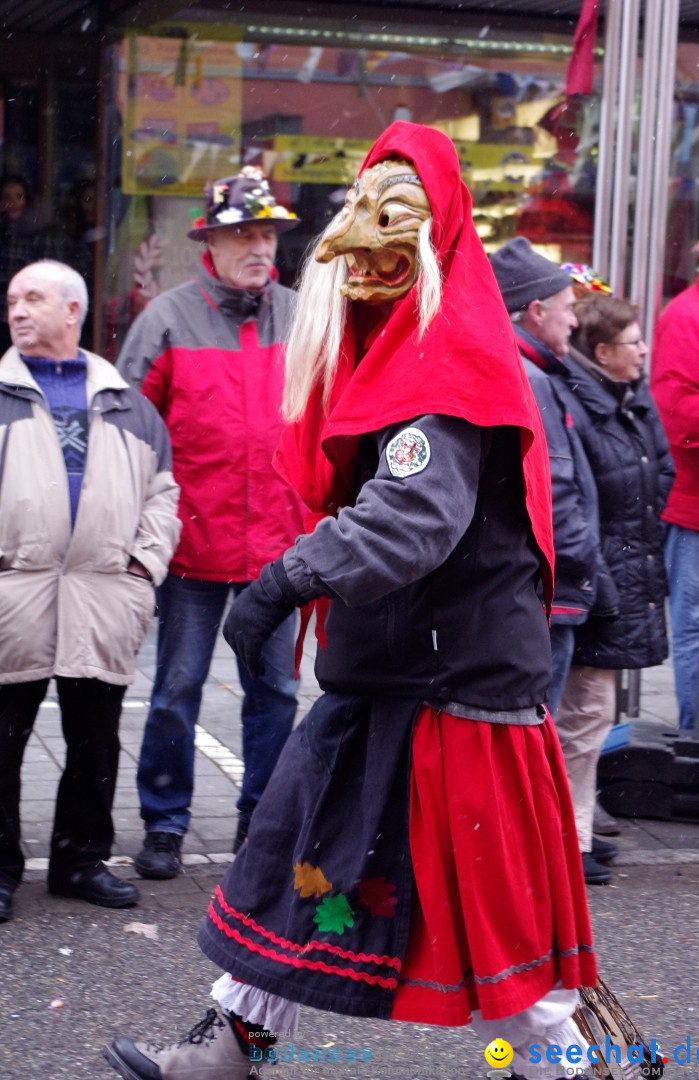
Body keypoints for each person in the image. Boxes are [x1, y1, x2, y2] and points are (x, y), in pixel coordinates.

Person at [104, 123, 597, 1080]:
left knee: (492, 930)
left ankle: (567, 1068)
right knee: (298, 859)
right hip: (396, 674)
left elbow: (412, 519)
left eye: (393, 219)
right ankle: (230, 1045)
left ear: (436, 232)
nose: (352, 249)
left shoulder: (446, 368)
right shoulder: (413, 354)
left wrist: (286, 577)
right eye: (353, 218)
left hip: (450, 692)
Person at [117, 168, 305, 880]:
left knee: (277, 694)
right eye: (245, 234)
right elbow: (130, 433)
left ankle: (263, 820)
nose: (260, 247)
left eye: (267, 234)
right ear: (213, 242)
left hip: (281, 550)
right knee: (174, 691)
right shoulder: (165, 319)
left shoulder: (302, 315)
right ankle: (164, 822)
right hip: (192, 545)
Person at [0, 260, 180, 925]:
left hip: (104, 595)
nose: (18, 311)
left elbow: (163, 495)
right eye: (13, 300)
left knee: (96, 738)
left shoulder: (129, 404)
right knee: (2, 740)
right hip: (12, 593)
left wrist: (142, 569)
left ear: (73, 311)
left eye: (34, 299)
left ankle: (80, 861)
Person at [489, 237, 618, 884]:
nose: (575, 317)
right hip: (551, 588)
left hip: (547, 584)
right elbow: (557, 493)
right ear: (531, 311)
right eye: (566, 306)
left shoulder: (536, 372)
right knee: (528, 732)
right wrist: (588, 568)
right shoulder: (530, 378)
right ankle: (522, 864)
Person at [558, 294, 673, 882]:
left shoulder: (629, 398)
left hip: (619, 572)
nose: (645, 350)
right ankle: (567, 838)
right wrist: (607, 563)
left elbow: (659, 470)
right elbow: (581, 499)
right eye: (634, 342)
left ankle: (575, 828)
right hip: (594, 576)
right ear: (603, 352)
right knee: (582, 712)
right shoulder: (583, 402)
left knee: (590, 712)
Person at [651, 229, 699, 730]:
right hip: (698, 502)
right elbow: (682, 413)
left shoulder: (695, 314)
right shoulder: (693, 316)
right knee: (696, 621)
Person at [0, 174, 45, 352]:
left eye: (18, 196)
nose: (12, 202)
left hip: (25, 307)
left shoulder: (36, 231)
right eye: (6, 197)